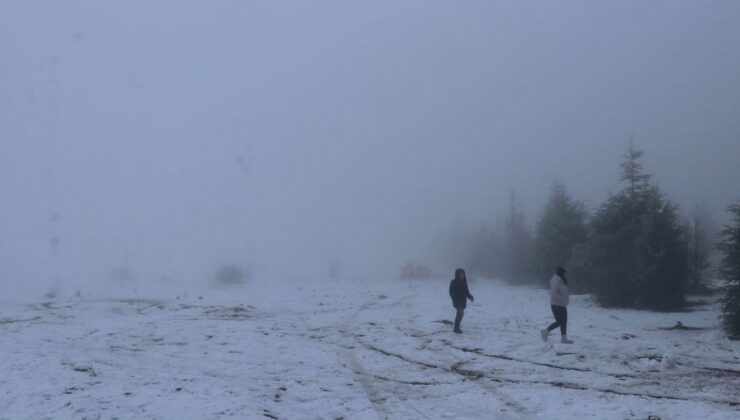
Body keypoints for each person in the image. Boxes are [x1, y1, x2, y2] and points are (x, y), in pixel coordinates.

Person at [540, 266, 573, 344]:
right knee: (560, 321)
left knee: (563, 322)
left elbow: (563, 291)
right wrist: (562, 299)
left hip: (561, 304)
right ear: (560, 272)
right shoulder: (556, 280)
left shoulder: (561, 279)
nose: (564, 275)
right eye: (563, 273)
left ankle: (564, 339)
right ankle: (545, 331)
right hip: (556, 305)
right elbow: (553, 293)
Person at [449, 268, 474, 334]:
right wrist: (454, 300)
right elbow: (451, 292)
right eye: (461, 274)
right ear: (457, 274)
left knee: (461, 314)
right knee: (460, 313)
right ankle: (456, 328)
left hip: (463, 301)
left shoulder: (464, 282)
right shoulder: (453, 282)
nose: (462, 275)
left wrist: (470, 297)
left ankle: (457, 326)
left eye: (463, 274)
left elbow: (466, 291)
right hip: (457, 301)